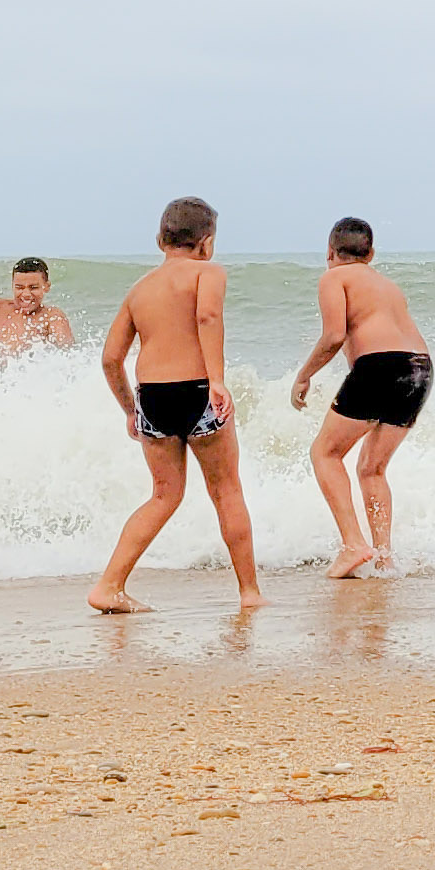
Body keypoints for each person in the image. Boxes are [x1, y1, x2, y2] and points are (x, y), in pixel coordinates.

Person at [86, 198, 262, 614]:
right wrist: (216, 380)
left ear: (160, 239)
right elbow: (207, 318)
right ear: (207, 243)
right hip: (198, 389)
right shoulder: (209, 272)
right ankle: (249, 593)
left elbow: (111, 358)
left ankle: (109, 586)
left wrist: (130, 409)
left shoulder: (139, 290)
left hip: (153, 397)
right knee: (226, 490)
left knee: (164, 496)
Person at [289, 217, 432, 578]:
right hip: (420, 368)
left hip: (381, 366)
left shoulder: (333, 277)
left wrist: (304, 375)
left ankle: (353, 544)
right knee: (372, 467)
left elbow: (335, 334)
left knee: (324, 452)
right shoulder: (387, 285)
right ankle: (384, 558)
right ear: (371, 254)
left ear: (330, 252)